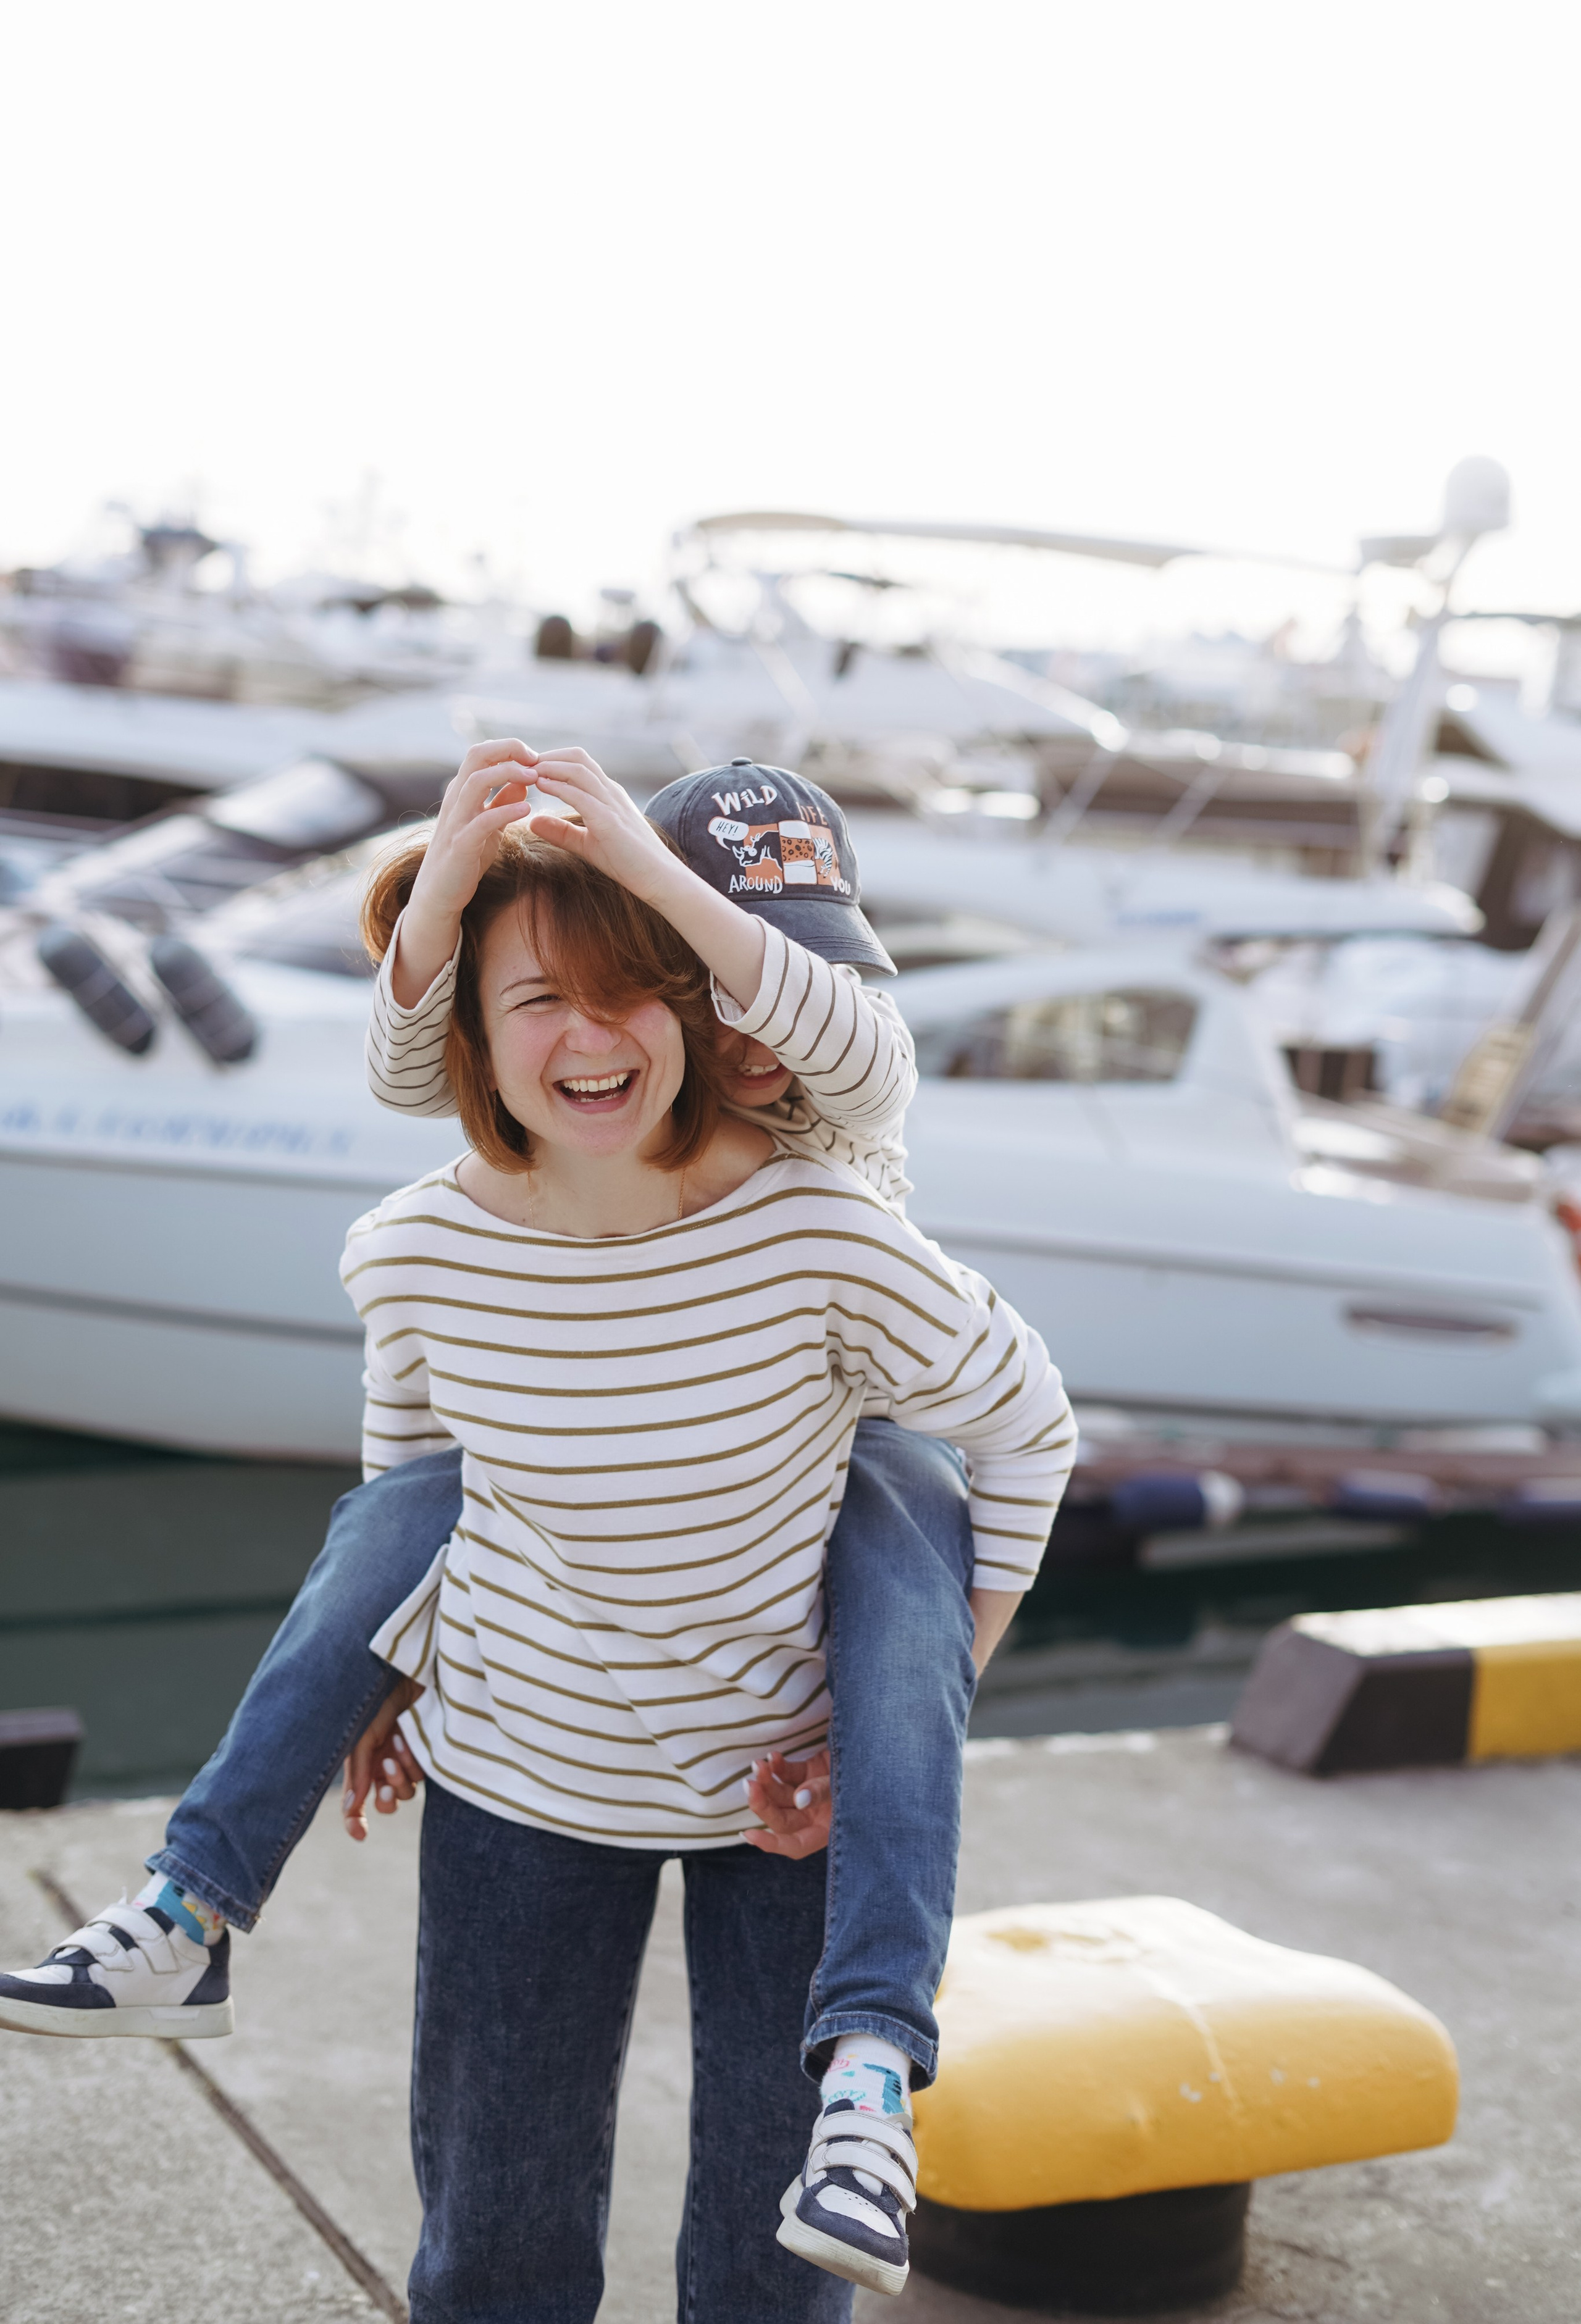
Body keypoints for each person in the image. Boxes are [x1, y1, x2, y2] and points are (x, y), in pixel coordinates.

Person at [0, 749, 1075, 2310]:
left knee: (771, 2265)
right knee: (494, 2231)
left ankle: (866, 2074)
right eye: (546, 999)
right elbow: (404, 1460)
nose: (747, 1027)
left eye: (654, 981)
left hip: (791, 1712)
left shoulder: (827, 1182)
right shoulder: (419, 1244)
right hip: (523, 1770)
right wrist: (389, 1668)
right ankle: (191, 1903)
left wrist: (649, 871)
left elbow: (1022, 1413)